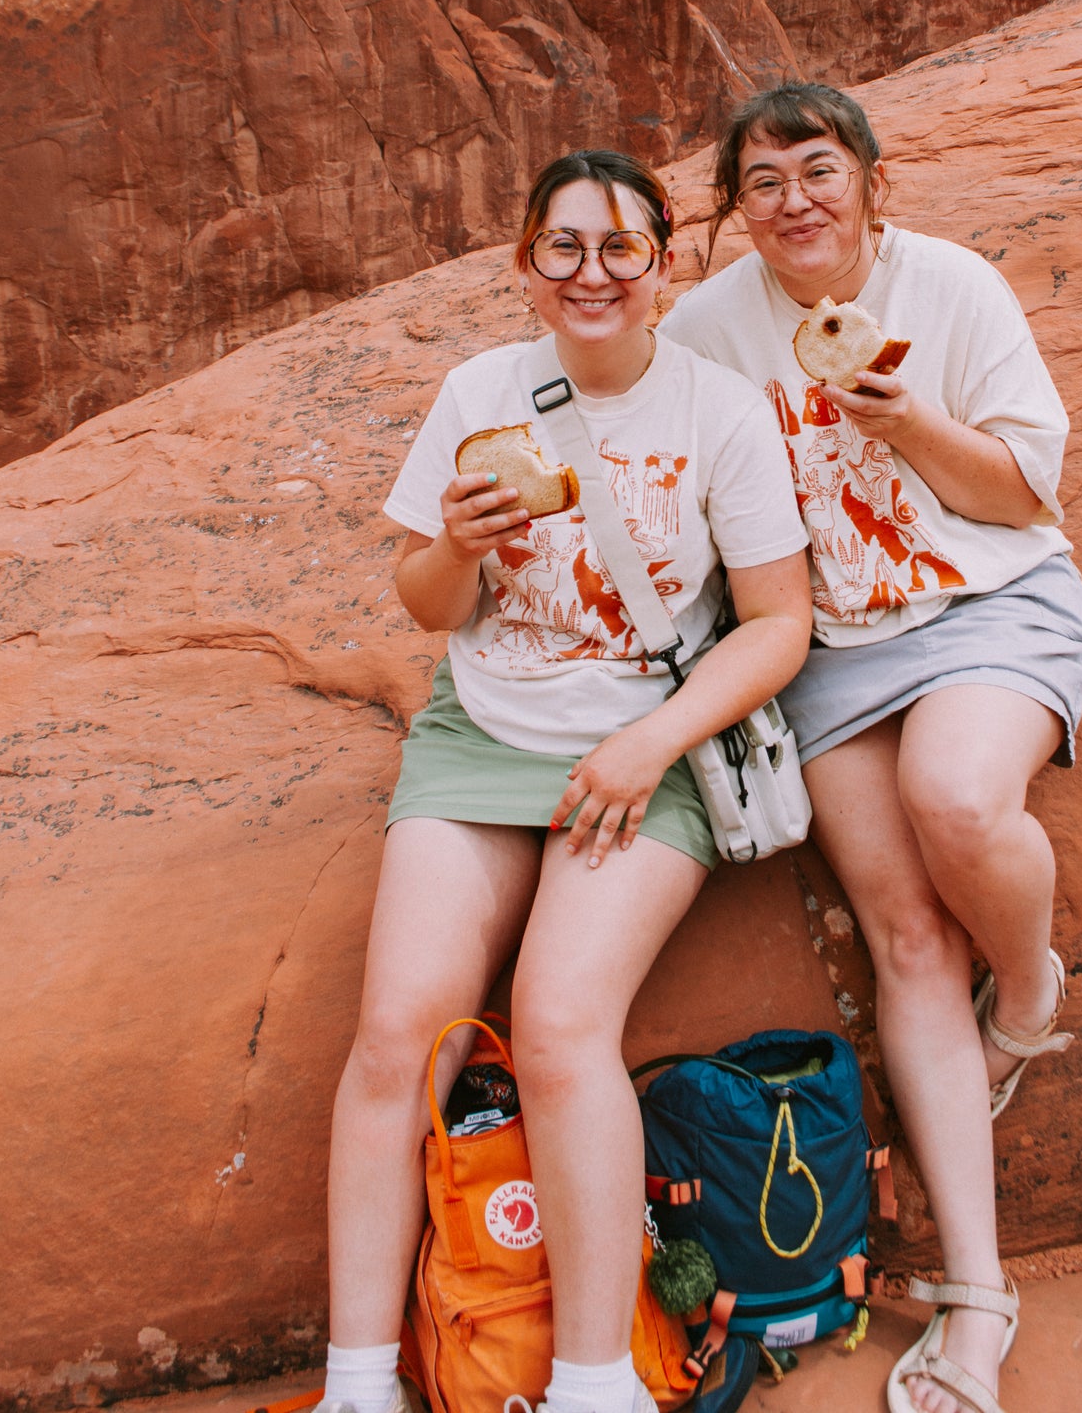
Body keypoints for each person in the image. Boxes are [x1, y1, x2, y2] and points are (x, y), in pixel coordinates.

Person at [325, 148, 812, 1413]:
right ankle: (358, 1381)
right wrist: (453, 544)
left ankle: (595, 1380)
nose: (591, 274)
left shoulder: (717, 410)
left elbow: (774, 624)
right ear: (524, 265)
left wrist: (650, 744)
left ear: (664, 262)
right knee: (398, 1036)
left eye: (620, 249)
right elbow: (429, 602)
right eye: (563, 249)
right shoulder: (480, 392)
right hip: (482, 733)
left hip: (647, 750)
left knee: (553, 1023)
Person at [660, 84, 1082, 1413]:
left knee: (955, 797)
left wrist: (900, 420)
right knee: (904, 931)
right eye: (762, 182)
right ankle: (978, 1296)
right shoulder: (708, 330)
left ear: (871, 181)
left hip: (988, 601)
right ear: (735, 209)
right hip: (831, 651)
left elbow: (1025, 491)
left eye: (818, 171)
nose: (794, 200)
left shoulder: (951, 288)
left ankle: (1026, 991)